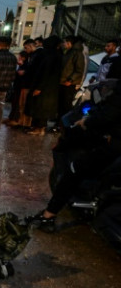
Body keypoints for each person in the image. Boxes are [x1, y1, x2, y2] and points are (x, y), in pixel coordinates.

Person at [27, 86, 121, 230]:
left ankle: (48, 216)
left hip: (113, 144)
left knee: (74, 169)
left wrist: (86, 122)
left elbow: (107, 115)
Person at [26, 35, 63, 136]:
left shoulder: (51, 56)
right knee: (40, 108)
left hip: (45, 88)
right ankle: (37, 127)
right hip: (49, 88)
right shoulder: (54, 55)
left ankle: (39, 128)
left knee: (41, 109)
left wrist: (39, 87)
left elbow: (46, 73)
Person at [58, 35, 85, 121]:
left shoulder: (77, 53)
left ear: (69, 43)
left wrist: (70, 80)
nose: (63, 44)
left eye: (64, 42)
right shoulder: (69, 52)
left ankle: (65, 124)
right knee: (61, 104)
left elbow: (79, 69)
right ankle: (59, 123)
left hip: (69, 84)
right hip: (62, 82)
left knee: (66, 105)